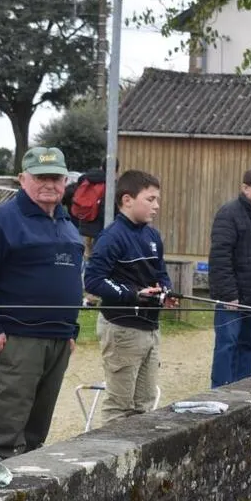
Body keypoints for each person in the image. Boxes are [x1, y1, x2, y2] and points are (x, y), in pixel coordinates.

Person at [0, 146, 83, 461]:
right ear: (22, 179)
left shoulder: (68, 224)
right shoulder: (1, 221)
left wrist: (71, 330)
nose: (49, 184)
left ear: (66, 180)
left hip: (57, 339)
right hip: (16, 339)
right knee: (5, 427)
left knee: (36, 430)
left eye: (55, 177)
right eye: (40, 177)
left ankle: (26, 491)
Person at [84, 170, 176, 422]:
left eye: (157, 199)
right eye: (150, 199)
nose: (156, 206)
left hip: (150, 328)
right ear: (127, 200)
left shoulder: (152, 235)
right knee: (119, 407)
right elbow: (92, 280)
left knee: (144, 404)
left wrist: (165, 291)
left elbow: (160, 273)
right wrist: (133, 295)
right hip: (122, 329)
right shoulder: (112, 236)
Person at [208, 167, 251, 388]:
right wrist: (228, 294)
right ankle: (219, 391)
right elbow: (220, 257)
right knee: (227, 344)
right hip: (234, 295)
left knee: (247, 344)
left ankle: (242, 389)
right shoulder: (229, 213)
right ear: (245, 188)